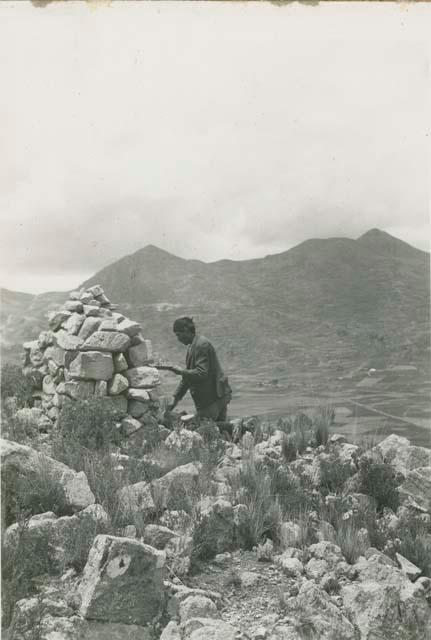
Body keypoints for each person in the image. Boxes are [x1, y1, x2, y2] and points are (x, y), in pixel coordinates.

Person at [167, 317, 232, 422]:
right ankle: (236, 428)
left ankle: (236, 426)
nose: (178, 339)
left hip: (212, 399)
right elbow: (187, 378)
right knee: (217, 429)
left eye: (178, 335)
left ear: (186, 331)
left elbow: (201, 373)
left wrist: (179, 371)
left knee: (205, 427)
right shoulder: (192, 346)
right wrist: (175, 399)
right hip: (213, 398)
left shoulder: (201, 345)